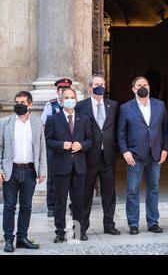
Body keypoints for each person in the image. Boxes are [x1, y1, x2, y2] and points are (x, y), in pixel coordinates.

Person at [118, 76, 168, 235]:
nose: (143, 87)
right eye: (139, 85)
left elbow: (165, 130)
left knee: (153, 189)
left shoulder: (160, 105)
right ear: (133, 89)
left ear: (149, 87)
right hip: (134, 155)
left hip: (155, 155)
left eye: (145, 85)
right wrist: (125, 151)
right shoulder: (126, 108)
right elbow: (120, 133)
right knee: (133, 190)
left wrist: (165, 149)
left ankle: (153, 222)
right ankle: (133, 223)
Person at [0, 91, 47, 252]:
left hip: (29, 171)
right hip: (10, 171)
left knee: (26, 206)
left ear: (30, 105)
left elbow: (41, 149)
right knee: (9, 206)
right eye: (17, 102)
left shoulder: (37, 123)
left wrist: (42, 171)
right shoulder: (4, 123)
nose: (19, 105)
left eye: (23, 102)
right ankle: (8, 239)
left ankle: (22, 238)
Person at [45, 88, 93, 243]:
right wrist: (61, 145)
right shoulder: (53, 119)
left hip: (79, 167)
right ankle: (59, 232)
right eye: (67, 97)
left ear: (76, 100)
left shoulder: (84, 119)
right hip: (61, 166)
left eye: (72, 97)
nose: (70, 100)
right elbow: (49, 141)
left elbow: (89, 139)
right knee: (60, 201)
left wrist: (82, 146)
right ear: (61, 100)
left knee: (79, 201)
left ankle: (79, 231)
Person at [76, 74, 121, 240]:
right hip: (88, 157)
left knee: (109, 193)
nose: (100, 86)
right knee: (85, 194)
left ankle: (109, 225)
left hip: (108, 156)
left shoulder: (113, 105)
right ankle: (81, 228)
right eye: (96, 84)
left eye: (102, 83)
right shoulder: (81, 106)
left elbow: (117, 129)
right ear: (90, 87)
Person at [41, 78, 72, 218]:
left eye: (66, 89)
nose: (63, 91)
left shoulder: (74, 104)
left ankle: (72, 205)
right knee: (53, 178)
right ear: (57, 91)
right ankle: (52, 206)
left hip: (71, 146)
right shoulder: (51, 105)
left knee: (73, 176)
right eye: (61, 89)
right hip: (54, 147)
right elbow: (44, 126)